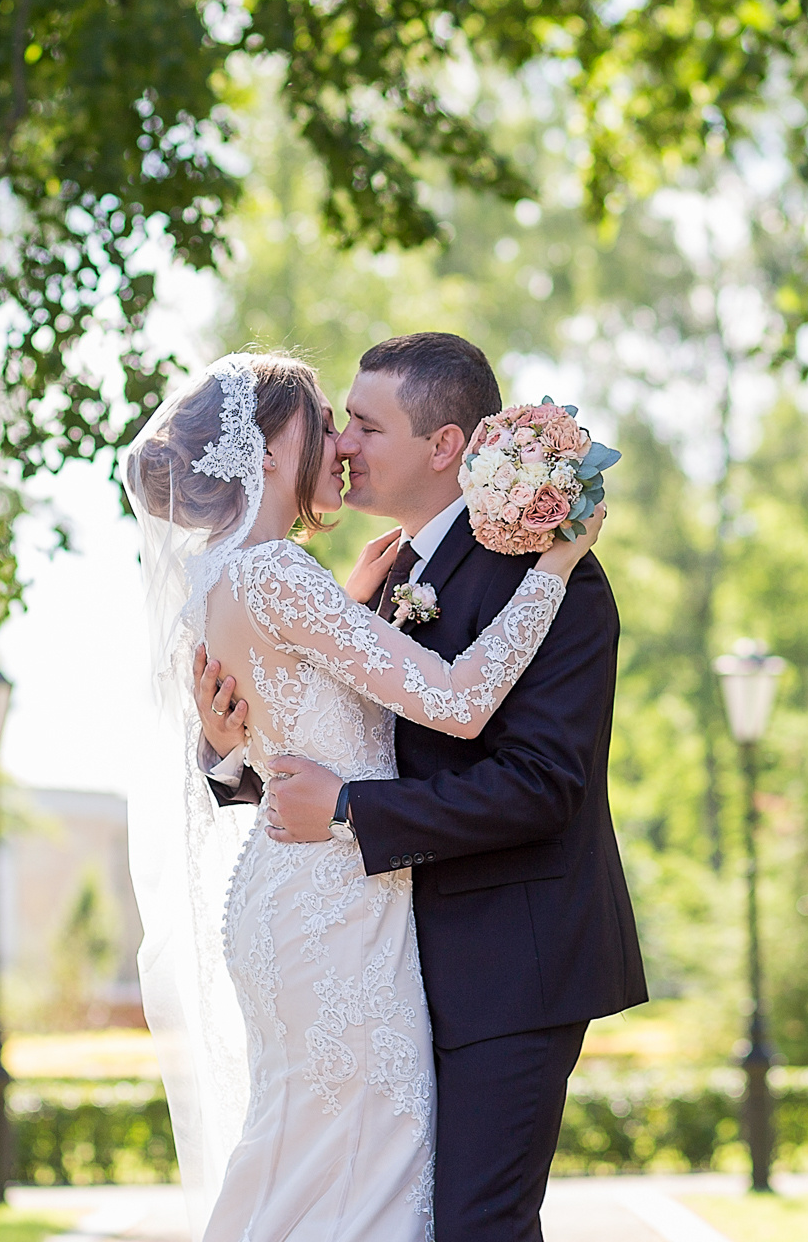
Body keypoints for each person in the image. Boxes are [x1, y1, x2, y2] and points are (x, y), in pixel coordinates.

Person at [121, 348, 607, 1242]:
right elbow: (452, 704)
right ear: (267, 452)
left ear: (444, 444)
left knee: (311, 1164)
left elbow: (304, 729)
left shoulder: (236, 579)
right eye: (328, 419)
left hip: (311, 910)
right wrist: (555, 568)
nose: (341, 441)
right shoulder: (289, 575)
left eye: (362, 423)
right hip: (332, 910)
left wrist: (237, 757)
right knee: (359, 1179)